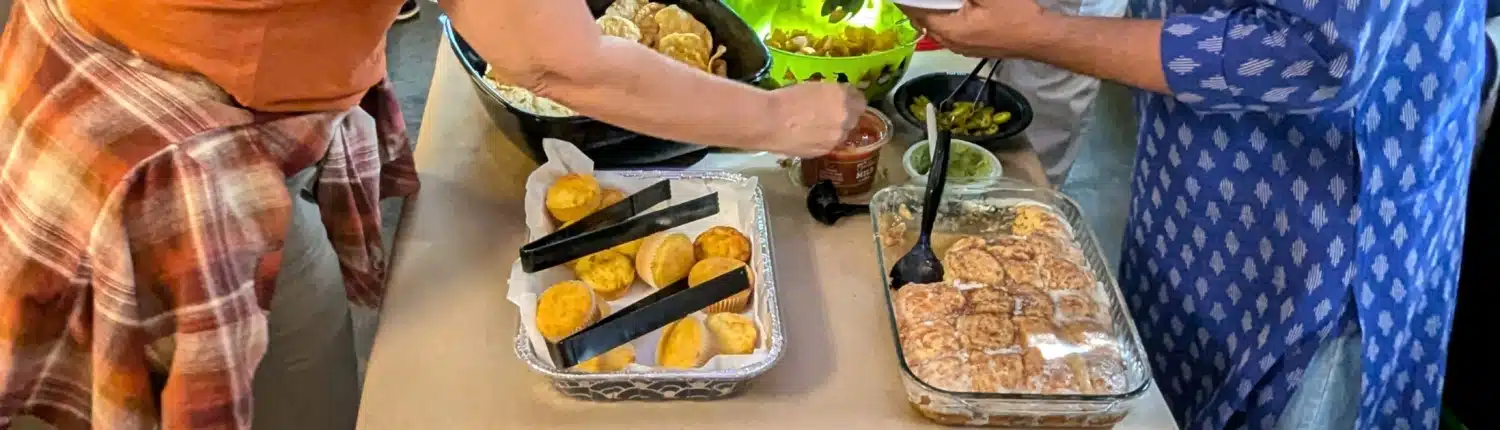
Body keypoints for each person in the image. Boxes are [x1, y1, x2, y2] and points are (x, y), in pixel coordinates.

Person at [0, 0, 865, 428]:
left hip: (152, 64)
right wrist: (780, 121)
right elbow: (555, 62)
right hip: (165, 135)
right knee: (307, 387)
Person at [903, 0, 1481, 427]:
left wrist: (1039, 34)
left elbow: (1316, 54)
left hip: (1320, 199)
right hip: (1193, 162)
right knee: (1164, 385)